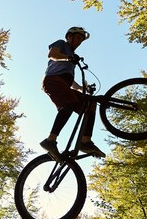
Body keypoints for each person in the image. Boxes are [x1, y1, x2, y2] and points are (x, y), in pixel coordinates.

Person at [40, 26, 106, 160]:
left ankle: (85, 142)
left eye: (81, 40)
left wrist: (82, 88)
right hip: (52, 81)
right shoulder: (61, 44)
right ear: (69, 36)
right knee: (69, 103)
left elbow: (70, 82)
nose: (79, 42)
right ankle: (50, 140)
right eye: (77, 38)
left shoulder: (72, 58)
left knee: (90, 103)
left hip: (63, 83)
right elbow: (52, 55)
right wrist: (68, 58)